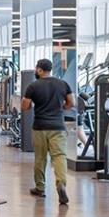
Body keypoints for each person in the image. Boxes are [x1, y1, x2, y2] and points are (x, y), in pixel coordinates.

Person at [21, 57, 74, 206]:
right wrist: (61, 108)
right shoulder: (63, 84)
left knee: (40, 158)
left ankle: (40, 188)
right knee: (59, 157)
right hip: (58, 126)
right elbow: (72, 103)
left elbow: (24, 106)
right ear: (50, 70)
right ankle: (61, 184)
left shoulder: (33, 86)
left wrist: (32, 104)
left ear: (39, 69)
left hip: (40, 126)